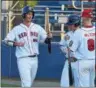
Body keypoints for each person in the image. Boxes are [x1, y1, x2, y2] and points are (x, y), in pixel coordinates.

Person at [3, 6, 52, 87]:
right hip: (23, 59)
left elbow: (46, 40)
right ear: (23, 15)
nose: (30, 16)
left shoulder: (37, 28)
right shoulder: (17, 29)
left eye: (31, 14)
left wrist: (49, 37)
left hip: (35, 59)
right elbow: (6, 41)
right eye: (28, 14)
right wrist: (16, 43)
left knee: (29, 83)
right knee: (26, 84)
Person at [68, 9, 95, 87]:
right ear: (91, 17)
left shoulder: (79, 31)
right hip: (94, 62)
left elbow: (71, 49)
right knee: (91, 85)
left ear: (83, 17)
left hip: (82, 62)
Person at [59, 15, 80, 87]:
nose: (69, 26)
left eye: (70, 24)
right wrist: (65, 50)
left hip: (79, 62)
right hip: (68, 61)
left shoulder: (82, 33)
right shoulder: (67, 34)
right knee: (64, 84)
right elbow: (61, 45)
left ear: (75, 24)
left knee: (79, 84)